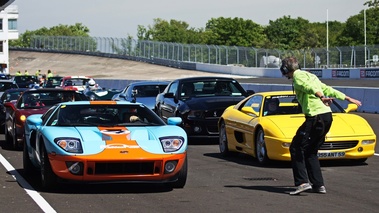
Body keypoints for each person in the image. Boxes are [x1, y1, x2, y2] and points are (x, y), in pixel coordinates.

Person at [280, 57, 362, 195]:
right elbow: (326, 88)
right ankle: (318, 185)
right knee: (311, 150)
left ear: (285, 69)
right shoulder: (310, 75)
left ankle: (302, 182)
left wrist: (321, 97)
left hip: (315, 117)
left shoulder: (298, 76)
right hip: (326, 116)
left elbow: (309, 88)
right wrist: (347, 98)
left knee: (296, 147)